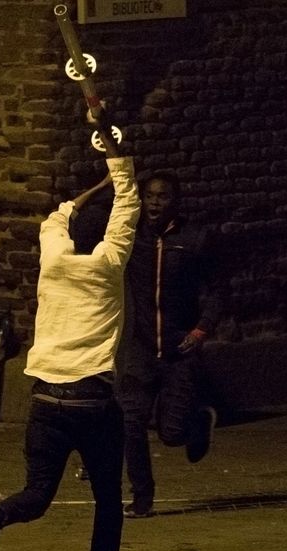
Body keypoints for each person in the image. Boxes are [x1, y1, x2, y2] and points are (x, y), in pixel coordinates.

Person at [0, 127, 140, 551]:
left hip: (44, 400)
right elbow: (128, 205)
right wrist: (118, 165)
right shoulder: (109, 263)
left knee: (38, 494)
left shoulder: (52, 259)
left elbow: (54, 217)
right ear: (102, 238)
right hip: (93, 401)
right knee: (107, 500)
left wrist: (75, 202)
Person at [116, 171, 222, 518]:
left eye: (162, 197)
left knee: (171, 434)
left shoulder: (194, 240)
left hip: (180, 349)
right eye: (149, 196)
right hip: (141, 347)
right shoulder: (133, 239)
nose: (154, 203)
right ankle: (142, 498)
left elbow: (217, 290)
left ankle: (197, 424)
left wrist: (201, 330)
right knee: (131, 422)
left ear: (174, 201)